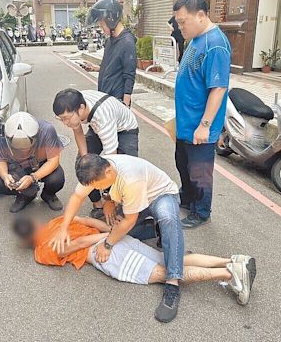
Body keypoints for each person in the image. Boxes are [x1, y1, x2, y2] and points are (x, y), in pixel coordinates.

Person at [13, 214, 256, 312]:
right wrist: (113, 232)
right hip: (118, 239)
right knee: (172, 260)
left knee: (164, 273)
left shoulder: (42, 252)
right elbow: (85, 218)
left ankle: (229, 274)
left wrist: (108, 240)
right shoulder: (57, 221)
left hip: (106, 253)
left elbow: (79, 244)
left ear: (26, 239)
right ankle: (233, 260)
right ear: (35, 223)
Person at [50, 153, 185, 323]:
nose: (95, 189)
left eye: (96, 186)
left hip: (160, 195)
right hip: (135, 200)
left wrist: (107, 245)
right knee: (116, 228)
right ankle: (159, 233)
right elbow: (77, 197)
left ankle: (173, 283)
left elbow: (129, 220)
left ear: (108, 173)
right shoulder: (95, 166)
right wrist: (64, 228)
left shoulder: (130, 179)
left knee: (167, 219)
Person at [173, 0, 232, 229]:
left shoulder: (215, 45)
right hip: (186, 122)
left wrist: (204, 126)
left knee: (200, 172)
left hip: (200, 126)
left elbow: (218, 89)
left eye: (182, 22)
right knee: (182, 164)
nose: (180, 27)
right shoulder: (196, 39)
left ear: (200, 15)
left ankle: (201, 211)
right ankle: (187, 198)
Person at [53, 88, 139, 218]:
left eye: (67, 118)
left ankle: (122, 208)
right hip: (98, 127)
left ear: (81, 108)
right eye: (62, 119)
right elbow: (78, 131)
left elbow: (110, 159)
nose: (65, 123)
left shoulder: (103, 117)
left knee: (124, 172)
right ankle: (98, 205)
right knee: (83, 168)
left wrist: (108, 197)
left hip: (125, 128)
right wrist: (85, 158)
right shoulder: (75, 104)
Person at [0, 112, 65, 213]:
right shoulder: (0, 135)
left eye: (28, 148)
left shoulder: (47, 130)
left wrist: (33, 177)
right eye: (18, 149)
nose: (24, 152)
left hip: (40, 164)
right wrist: (4, 175)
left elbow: (53, 161)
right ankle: (24, 196)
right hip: (16, 167)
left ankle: (48, 194)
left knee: (57, 179)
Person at [80, 0, 136, 107]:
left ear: (111, 19)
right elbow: (112, 66)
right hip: (105, 96)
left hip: (117, 101)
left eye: (102, 25)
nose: (101, 28)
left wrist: (124, 105)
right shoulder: (110, 40)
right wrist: (95, 68)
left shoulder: (127, 42)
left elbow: (129, 76)